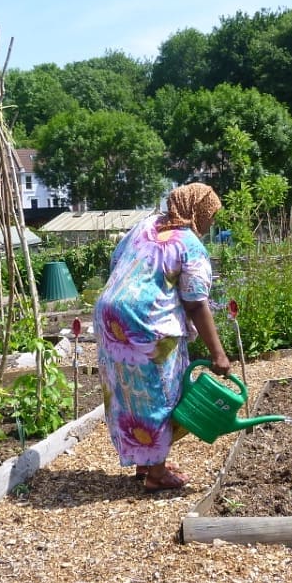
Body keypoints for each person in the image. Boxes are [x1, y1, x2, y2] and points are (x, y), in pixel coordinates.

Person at [93, 183, 231, 493]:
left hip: (110, 316)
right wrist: (218, 354)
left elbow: (117, 261)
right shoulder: (189, 244)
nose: (211, 224)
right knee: (160, 393)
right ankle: (155, 474)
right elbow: (195, 302)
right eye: (210, 216)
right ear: (198, 212)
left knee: (131, 391)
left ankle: (147, 461)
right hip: (148, 321)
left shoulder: (145, 225)